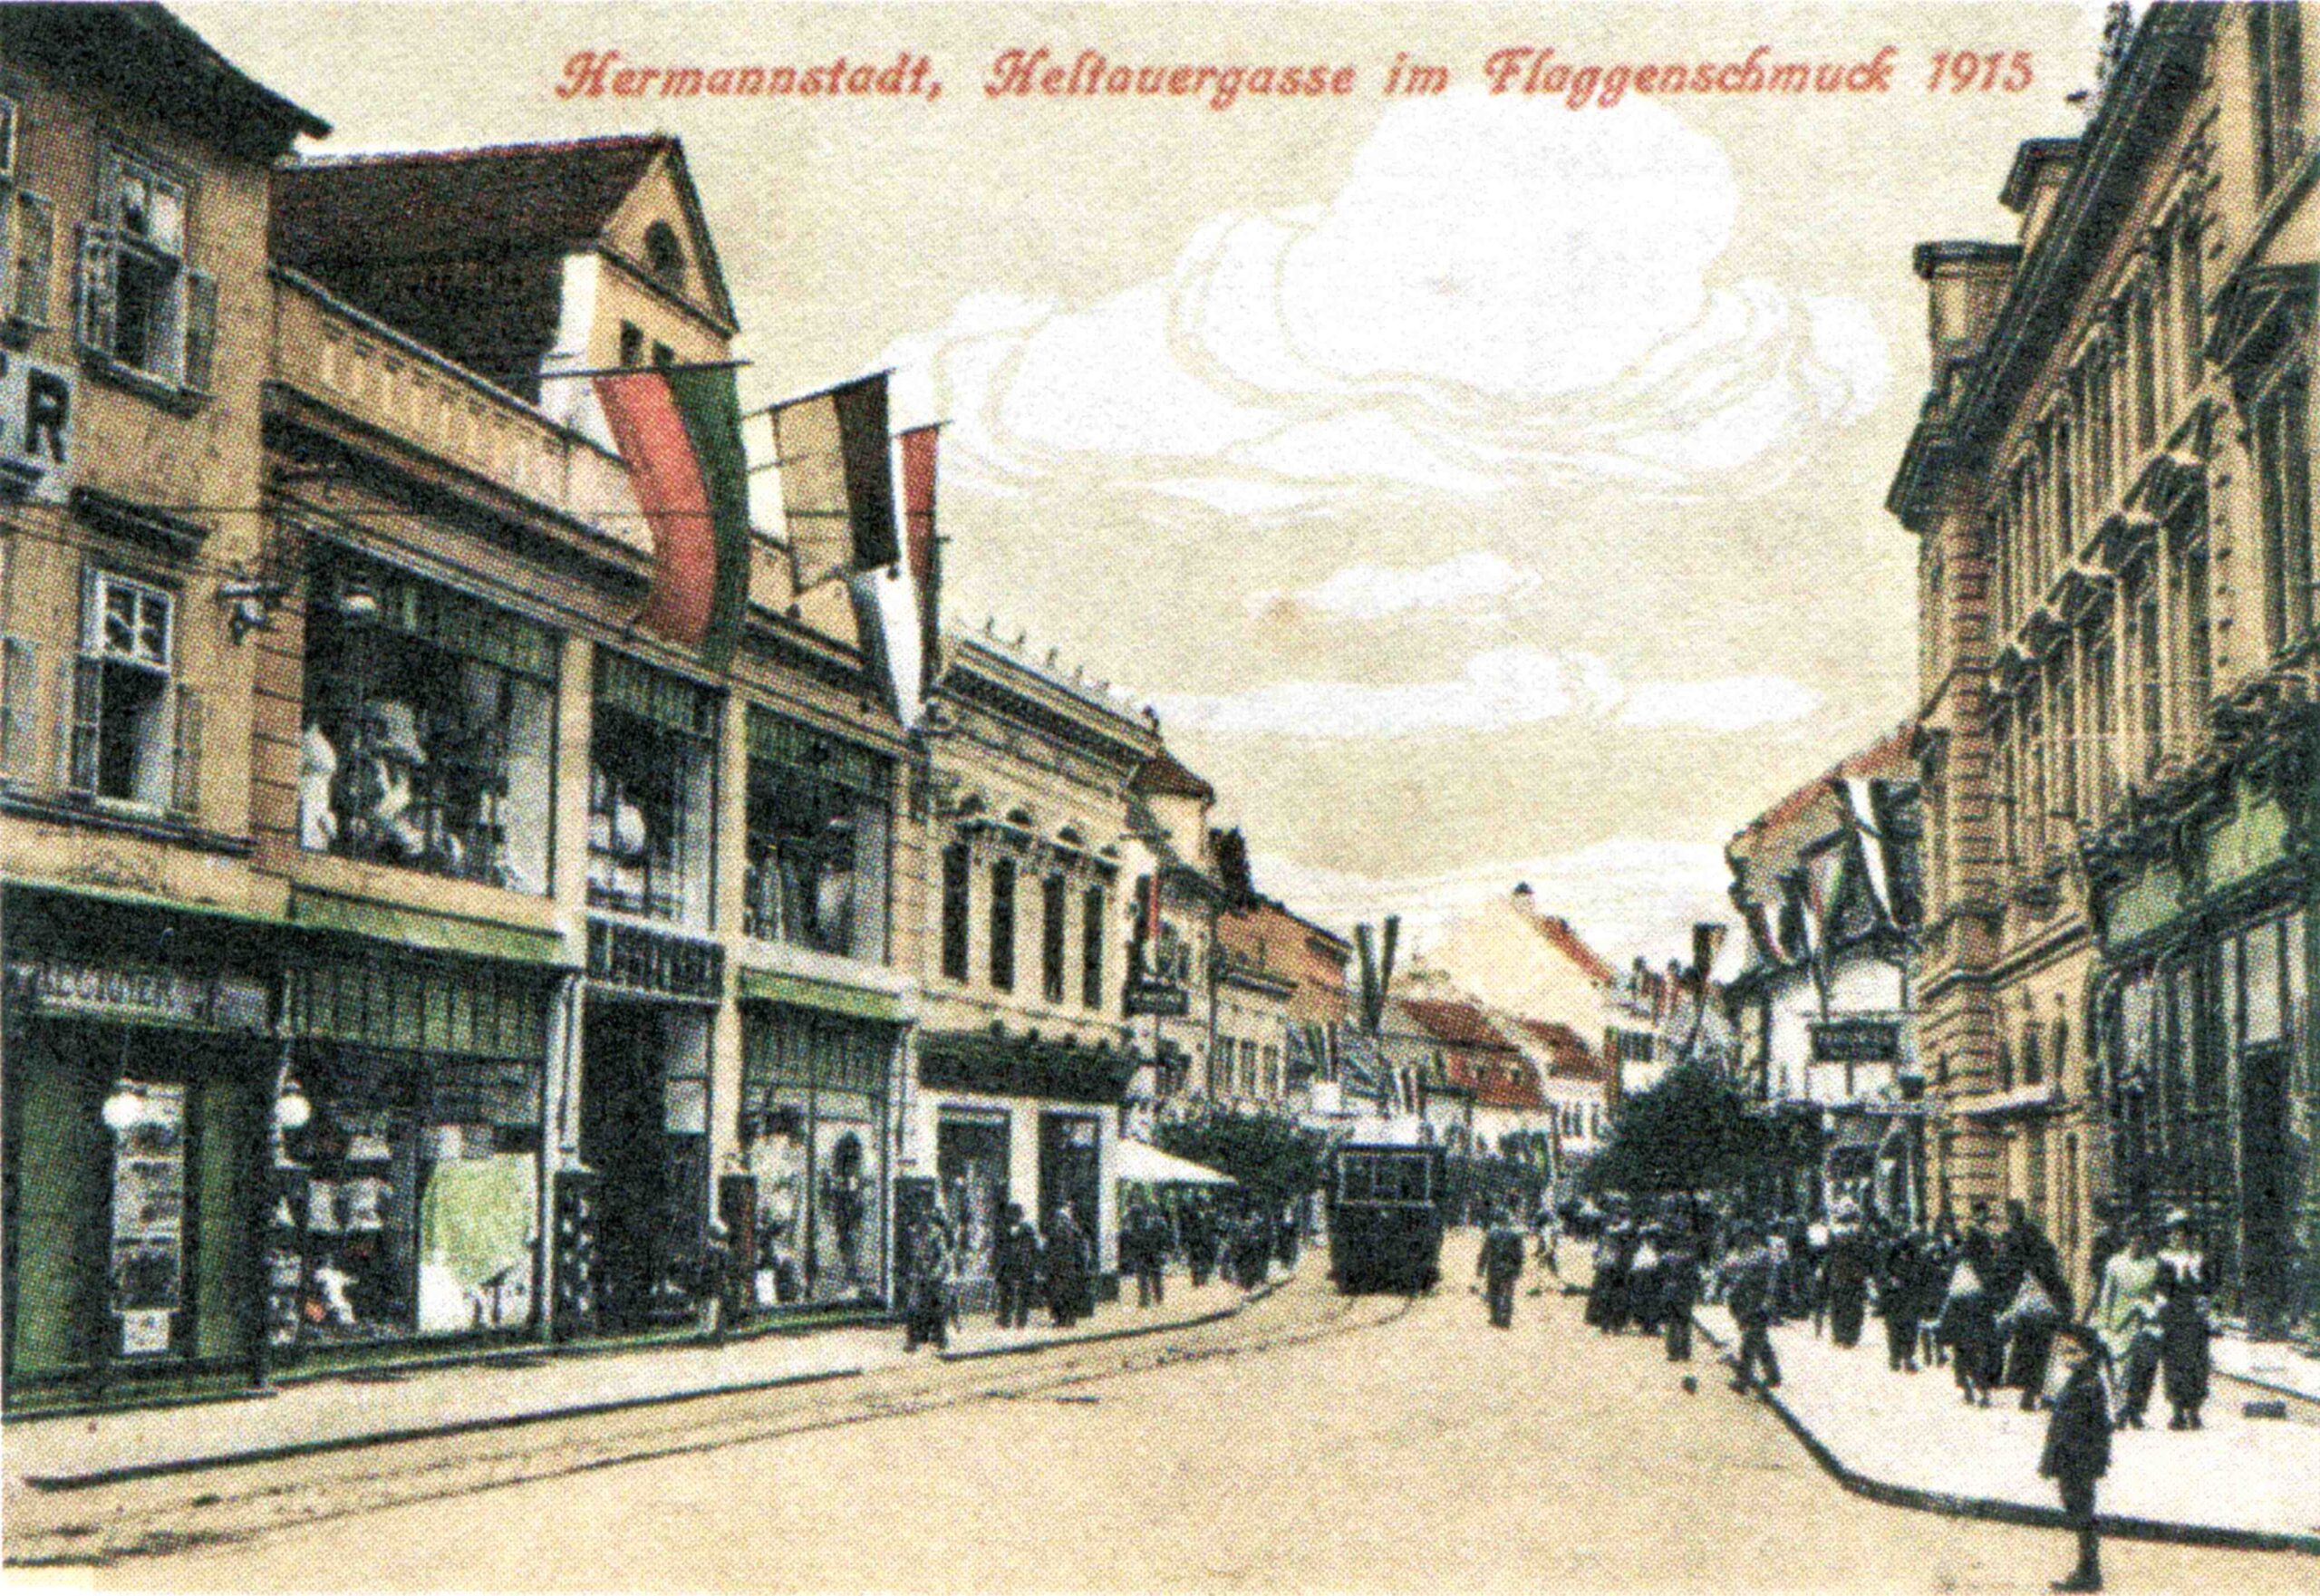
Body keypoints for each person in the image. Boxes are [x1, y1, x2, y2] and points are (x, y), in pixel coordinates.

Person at [2039, 1323, 2112, 1591]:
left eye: (2074, 1351)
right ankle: (2087, 1569)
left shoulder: (2088, 1384)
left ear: (2088, 1353)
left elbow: (2088, 1428)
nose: (2067, 1357)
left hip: (2078, 1461)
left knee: (2082, 1515)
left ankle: (2089, 1572)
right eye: (2065, 1351)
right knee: (2078, 1513)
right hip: (2072, 1459)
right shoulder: (2080, 1379)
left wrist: (2071, 1461)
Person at [1997, 1199, 2074, 1410]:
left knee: (2029, 1348)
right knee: (2041, 1349)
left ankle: (2032, 1393)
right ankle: (2037, 1392)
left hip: (2031, 1300)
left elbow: (2006, 1271)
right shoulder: (2035, 1239)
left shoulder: (2014, 1239)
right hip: (2041, 1301)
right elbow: (2052, 1269)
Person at [2093, 1226, 2161, 1429]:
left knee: (2144, 1367)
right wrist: (2103, 1326)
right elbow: (2106, 1296)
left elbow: (2158, 1293)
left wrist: (2154, 1310)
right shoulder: (2115, 1264)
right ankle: (2120, 1411)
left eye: (2142, 1238)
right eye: (2134, 1237)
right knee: (2121, 1368)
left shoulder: (2153, 1264)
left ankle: (2136, 1411)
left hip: (2145, 1322)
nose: (2137, 1241)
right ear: (2128, 1239)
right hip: (2120, 1323)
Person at [2154, 1212, 2211, 1431]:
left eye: (2179, 1232)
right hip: (2174, 1318)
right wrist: (2160, 1313)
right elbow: (2161, 1289)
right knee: (2174, 1363)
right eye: (2172, 1233)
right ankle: (2177, 1411)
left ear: (2188, 1235)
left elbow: (2207, 1287)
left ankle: (2194, 1410)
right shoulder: (2165, 1259)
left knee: (2197, 1363)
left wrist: (2204, 1303)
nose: (2175, 1237)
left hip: (2195, 1318)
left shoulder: (2199, 1259)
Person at [1721, 1226, 1782, 1393]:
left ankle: (1742, 1381)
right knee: (1761, 1342)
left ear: (1752, 1236)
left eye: (1744, 1236)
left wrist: (1766, 1303)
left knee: (1749, 1344)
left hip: (1758, 1305)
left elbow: (1768, 1282)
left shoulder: (1761, 1255)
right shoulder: (1747, 1255)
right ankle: (1773, 1376)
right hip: (1748, 1304)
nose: (1741, 1240)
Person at [1938, 1249, 1998, 1407]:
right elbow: (1989, 1317)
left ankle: (1968, 1392)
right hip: (1978, 1336)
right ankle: (1984, 1393)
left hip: (1961, 1338)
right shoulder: (1981, 1295)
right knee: (1980, 1363)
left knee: (1962, 1365)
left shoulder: (1955, 1298)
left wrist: (1944, 1338)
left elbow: (1947, 1321)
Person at [1824, 1207, 1874, 1350]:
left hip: (1839, 1276)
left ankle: (1839, 1335)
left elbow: (1829, 1255)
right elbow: (1866, 1255)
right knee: (1854, 1307)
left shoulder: (1834, 1233)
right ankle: (1851, 1336)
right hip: (1854, 1277)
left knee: (1838, 1306)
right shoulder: (1860, 1233)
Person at [993, 1203, 1040, 1330]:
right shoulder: (1003, 1229)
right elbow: (998, 1248)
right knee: (1006, 1293)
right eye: (1011, 1214)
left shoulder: (1028, 1229)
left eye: (1016, 1214)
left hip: (1024, 1266)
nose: (1014, 1217)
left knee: (1024, 1294)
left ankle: (1021, 1321)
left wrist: (1034, 1264)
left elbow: (1036, 1248)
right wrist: (998, 1265)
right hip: (1008, 1266)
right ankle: (1005, 1320)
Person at [1660, 1226, 1702, 1362]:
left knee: (1673, 1322)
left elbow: (1660, 1275)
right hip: (1684, 1292)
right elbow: (1696, 1277)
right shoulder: (1690, 1258)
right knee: (1684, 1322)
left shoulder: (1666, 1257)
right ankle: (1684, 1351)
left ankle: (1673, 1352)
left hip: (1671, 1291)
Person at [1045, 1204, 1090, 1329]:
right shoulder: (1067, 1231)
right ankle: (1063, 1319)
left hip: (1064, 1268)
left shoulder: (1069, 1232)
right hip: (1062, 1268)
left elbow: (1081, 1251)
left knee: (1063, 1294)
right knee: (1062, 1294)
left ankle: (1064, 1319)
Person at [1478, 1206, 1525, 1329]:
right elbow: (1520, 1254)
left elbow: (1485, 1252)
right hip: (1510, 1267)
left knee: (1494, 1293)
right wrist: (1519, 1268)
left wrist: (1480, 1268)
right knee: (1508, 1294)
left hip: (1494, 1266)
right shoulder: (1516, 1235)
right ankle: (1506, 1320)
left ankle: (1495, 1318)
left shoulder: (1492, 1234)